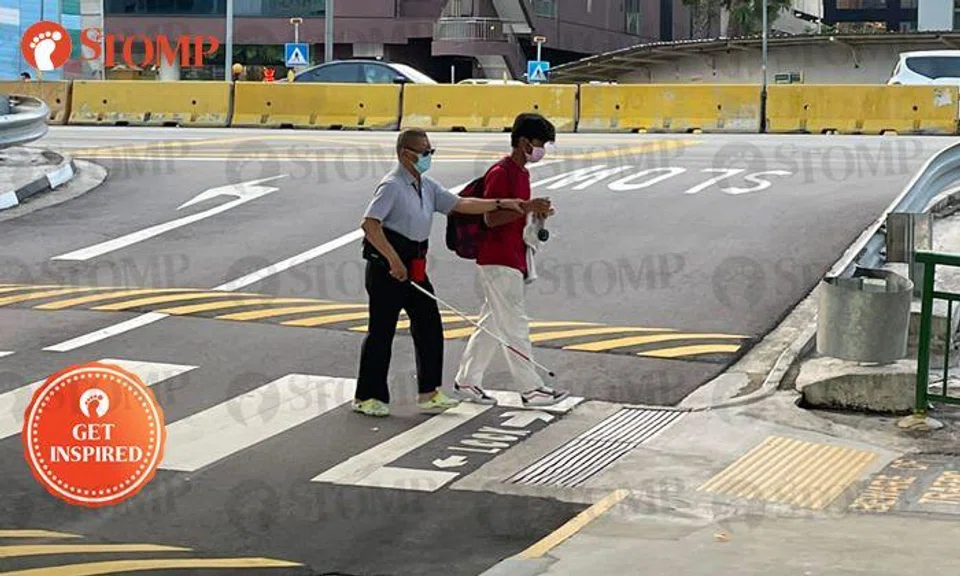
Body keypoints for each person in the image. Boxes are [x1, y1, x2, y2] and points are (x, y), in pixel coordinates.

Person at [355, 128, 528, 418]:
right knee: (381, 332)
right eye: (424, 152)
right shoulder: (392, 186)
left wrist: (502, 203)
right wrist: (394, 261)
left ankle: (429, 392)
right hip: (388, 265)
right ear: (405, 154)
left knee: (430, 326)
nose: (428, 156)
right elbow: (370, 225)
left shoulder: (426, 185)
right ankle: (368, 396)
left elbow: (459, 204)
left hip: (416, 263)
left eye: (430, 151)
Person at [453, 113, 570, 407]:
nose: (542, 149)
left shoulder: (522, 174)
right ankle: (531, 388)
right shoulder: (501, 172)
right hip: (497, 259)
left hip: (513, 255)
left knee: (492, 325)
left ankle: (467, 380)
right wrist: (527, 207)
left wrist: (535, 211)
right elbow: (491, 218)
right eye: (540, 143)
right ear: (522, 142)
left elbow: (516, 213)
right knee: (515, 324)